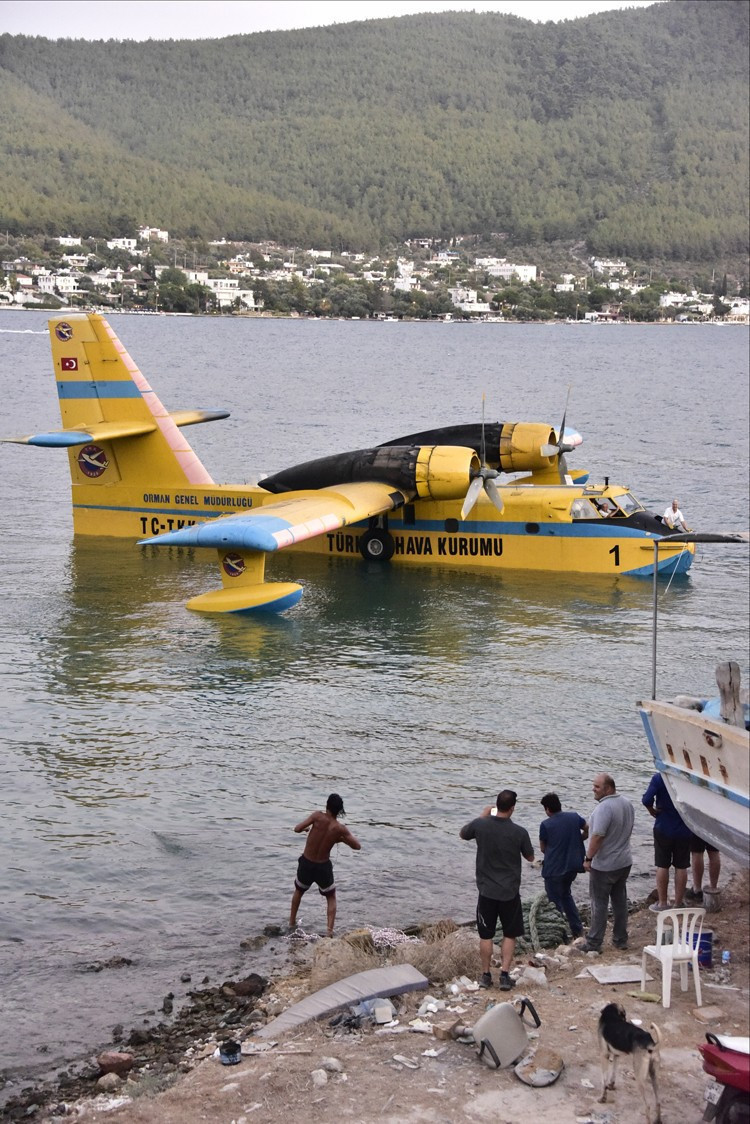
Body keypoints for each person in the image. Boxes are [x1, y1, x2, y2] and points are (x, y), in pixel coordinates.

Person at [460, 789, 534, 991]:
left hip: (486, 891)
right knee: (510, 934)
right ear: (512, 808)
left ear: (495, 805)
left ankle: (485, 975)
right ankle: (504, 974)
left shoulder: (481, 825)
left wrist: (483, 815)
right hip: (509, 891)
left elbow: (463, 834)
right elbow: (530, 857)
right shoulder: (519, 832)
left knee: (486, 935)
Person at [289, 793, 361, 936]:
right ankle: (329, 932)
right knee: (331, 897)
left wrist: (304, 830)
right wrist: (341, 839)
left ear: (326, 805)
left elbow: (297, 829)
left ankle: (291, 923)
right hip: (323, 867)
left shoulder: (317, 817)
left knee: (299, 891)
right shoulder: (339, 828)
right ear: (340, 811)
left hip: (307, 863)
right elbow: (357, 846)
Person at [581, 773, 635, 953]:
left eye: (597, 786)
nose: (593, 789)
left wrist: (588, 858)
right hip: (624, 861)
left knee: (599, 904)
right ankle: (620, 939)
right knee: (620, 901)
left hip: (605, 865)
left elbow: (597, 836)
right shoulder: (627, 803)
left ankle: (594, 943)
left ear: (608, 788)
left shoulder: (604, 808)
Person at [539, 792, 588, 939]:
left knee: (554, 902)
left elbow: (543, 848)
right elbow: (588, 829)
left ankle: (559, 934)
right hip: (573, 866)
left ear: (547, 809)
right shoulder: (574, 817)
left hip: (554, 869)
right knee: (566, 895)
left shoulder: (546, 824)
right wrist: (579, 840)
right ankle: (577, 930)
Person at [641, 771, 692, 911]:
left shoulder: (659, 778)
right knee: (681, 866)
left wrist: (651, 810)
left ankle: (663, 903)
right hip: (684, 828)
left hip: (663, 827)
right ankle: (678, 903)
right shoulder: (687, 778)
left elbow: (646, 799)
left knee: (662, 865)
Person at [687, 834, 721, 902]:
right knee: (714, 852)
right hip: (714, 825)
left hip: (699, 824)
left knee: (697, 852)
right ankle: (713, 888)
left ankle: (697, 890)